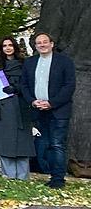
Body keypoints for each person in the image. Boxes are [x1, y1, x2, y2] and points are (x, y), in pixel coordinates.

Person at [22, 31, 76, 189]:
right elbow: (24, 85)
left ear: (52, 44)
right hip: (38, 110)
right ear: (35, 46)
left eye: (45, 42)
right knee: (43, 144)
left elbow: (69, 86)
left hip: (59, 110)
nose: (42, 45)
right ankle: (47, 173)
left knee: (57, 144)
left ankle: (58, 179)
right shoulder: (30, 62)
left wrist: (52, 103)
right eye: (39, 43)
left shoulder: (65, 62)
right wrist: (32, 101)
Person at [0, 36, 33, 180]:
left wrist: (17, 88)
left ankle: (23, 176)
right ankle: (8, 175)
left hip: (21, 106)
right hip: (3, 108)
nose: (8, 48)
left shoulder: (24, 63)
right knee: (5, 142)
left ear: (15, 47)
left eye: (10, 45)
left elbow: (30, 84)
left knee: (22, 143)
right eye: (4, 45)